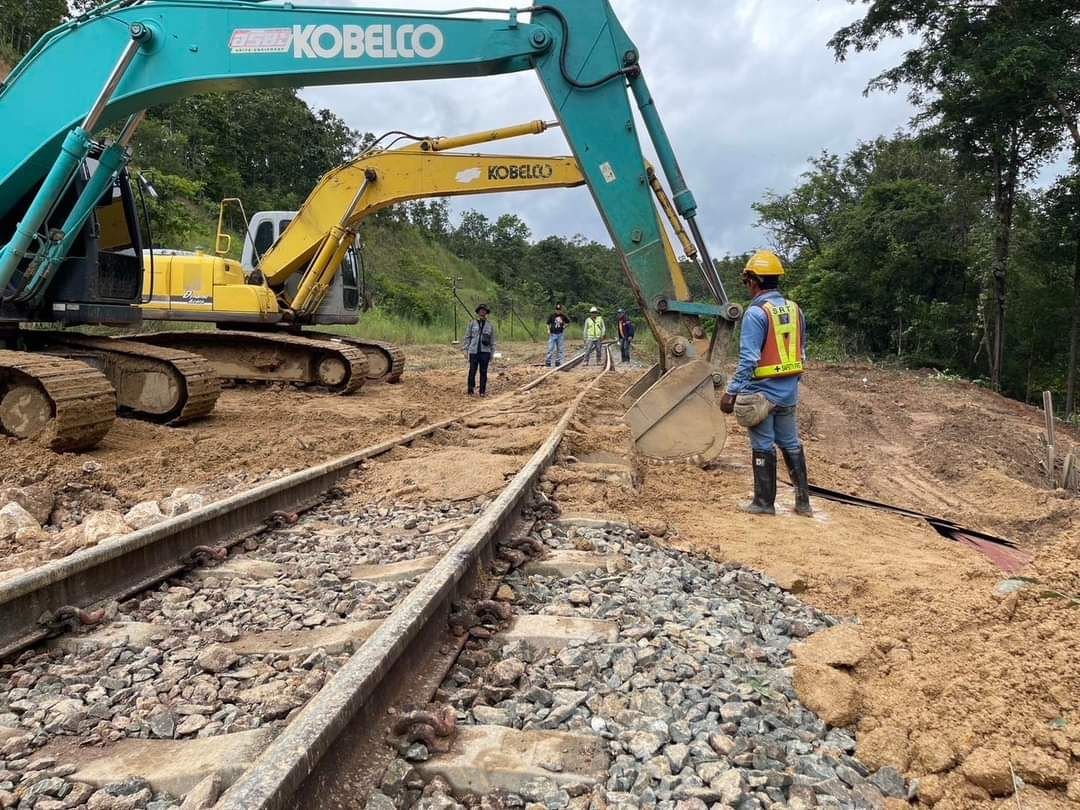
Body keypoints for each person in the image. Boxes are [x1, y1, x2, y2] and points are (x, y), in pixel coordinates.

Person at [719, 250, 812, 517]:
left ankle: (763, 503)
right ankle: (803, 503)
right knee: (790, 442)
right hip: (788, 392)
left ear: (753, 281)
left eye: (746, 280)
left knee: (762, 444)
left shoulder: (756, 313)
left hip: (761, 393)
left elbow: (749, 359)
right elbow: (801, 350)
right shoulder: (795, 309)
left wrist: (731, 392)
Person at [463, 303, 496, 396]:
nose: (482, 311)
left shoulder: (490, 325)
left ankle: (482, 391)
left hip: (485, 352)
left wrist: (492, 353)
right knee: (472, 370)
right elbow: (467, 337)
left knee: (483, 371)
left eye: (484, 310)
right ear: (478, 312)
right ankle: (470, 389)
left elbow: (492, 340)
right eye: (481, 310)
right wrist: (465, 350)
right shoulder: (472, 323)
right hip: (473, 351)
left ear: (486, 313)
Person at [545, 303, 571, 367]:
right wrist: (548, 330)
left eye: (559, 310)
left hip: (560, 334)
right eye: (557, 310)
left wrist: (564, 327)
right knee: (551, 348)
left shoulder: (563, 316)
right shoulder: (552, 315)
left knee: (560, 349)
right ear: (555, 310)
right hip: (553, 334)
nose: (558, 311)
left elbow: (568, 322)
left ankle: (558, 361)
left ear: (561, 310)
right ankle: (548, 361)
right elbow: (548, 323)